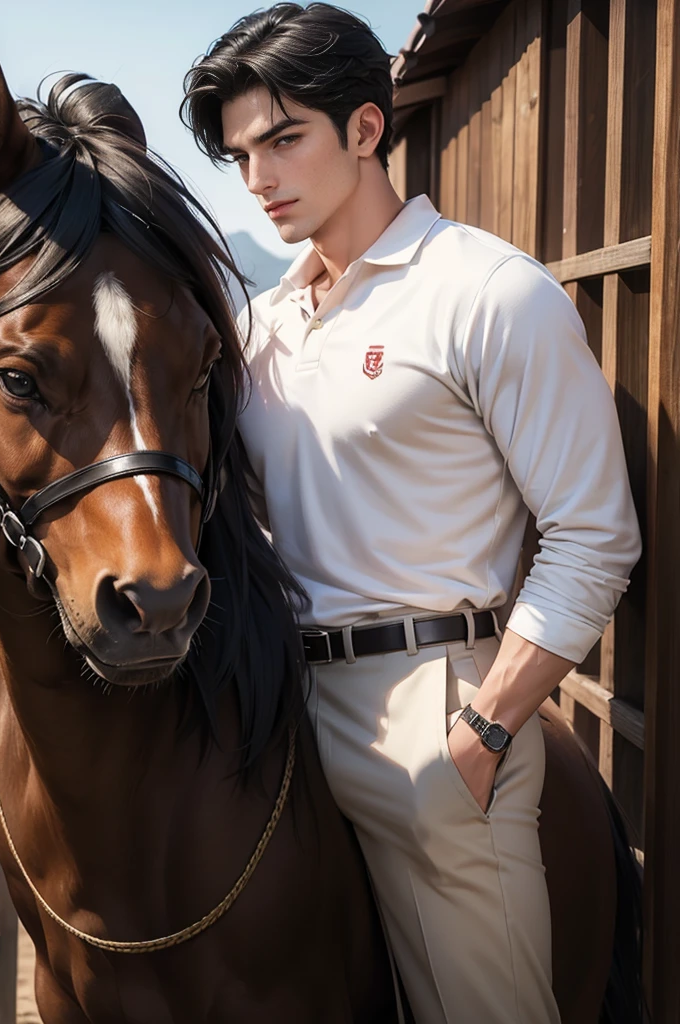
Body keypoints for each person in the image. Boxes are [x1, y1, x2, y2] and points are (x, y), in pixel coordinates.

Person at [181, 5, 642, 1022]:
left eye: (283, 139)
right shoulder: (259, 327)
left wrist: (479, 728)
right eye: (239, 153)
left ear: (364, 129)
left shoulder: (487, 294)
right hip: (277, 717)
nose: (258, 177)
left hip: (430, 707)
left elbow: (594, 532)